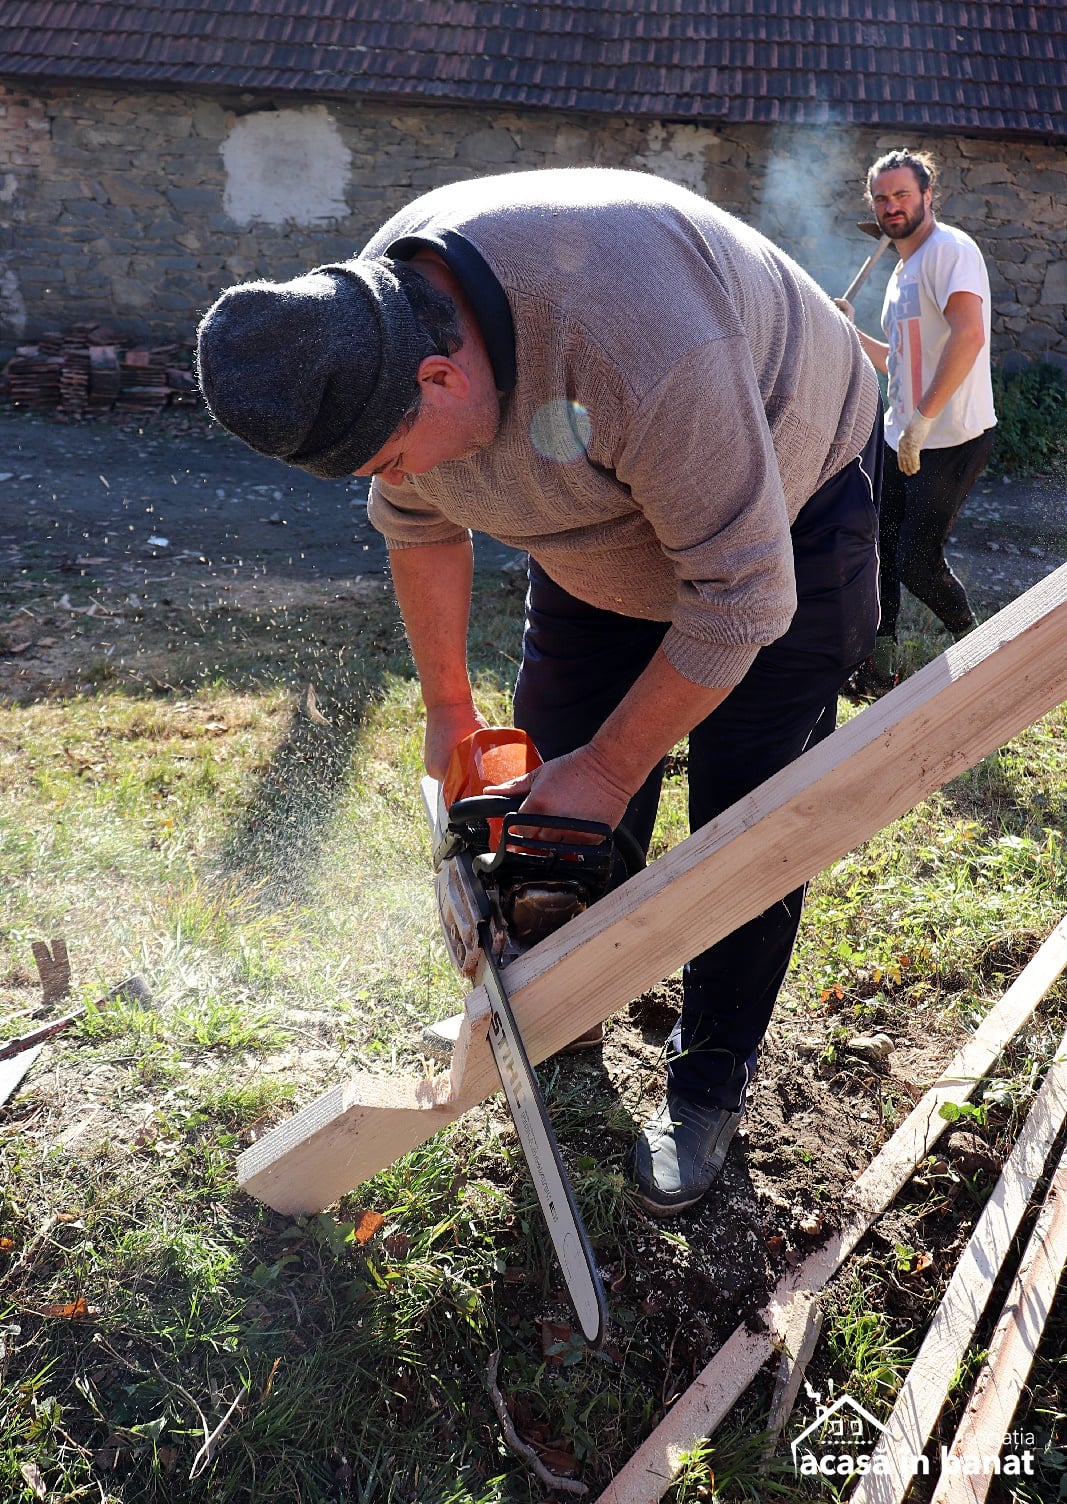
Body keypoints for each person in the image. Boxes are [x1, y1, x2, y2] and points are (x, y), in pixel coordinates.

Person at [196, 167, 882, 1215]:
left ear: (438, 379)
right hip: (595, 539)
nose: (394, 477)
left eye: (388, 455)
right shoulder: (374, 313)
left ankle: (706, 1082)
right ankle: (567, 1007)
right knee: (546, 806)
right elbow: (417, 521)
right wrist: (445, 711)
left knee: (744, 823)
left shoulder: (633, 341)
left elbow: (742, 600)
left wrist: (611, 766)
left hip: (782, 511)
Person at [836, 149, 996, 690]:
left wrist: (924, 420)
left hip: (951, 435)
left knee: (917, 561)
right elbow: (900, 360)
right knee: (879, 548)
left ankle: (980, 651)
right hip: (902, 433)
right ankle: (880, 666)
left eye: (902, 194)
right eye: (881, 197)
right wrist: (849, 335)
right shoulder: (903, 268)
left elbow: (969, 336)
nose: (891, 205)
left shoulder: (950, 251)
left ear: (928, 196)